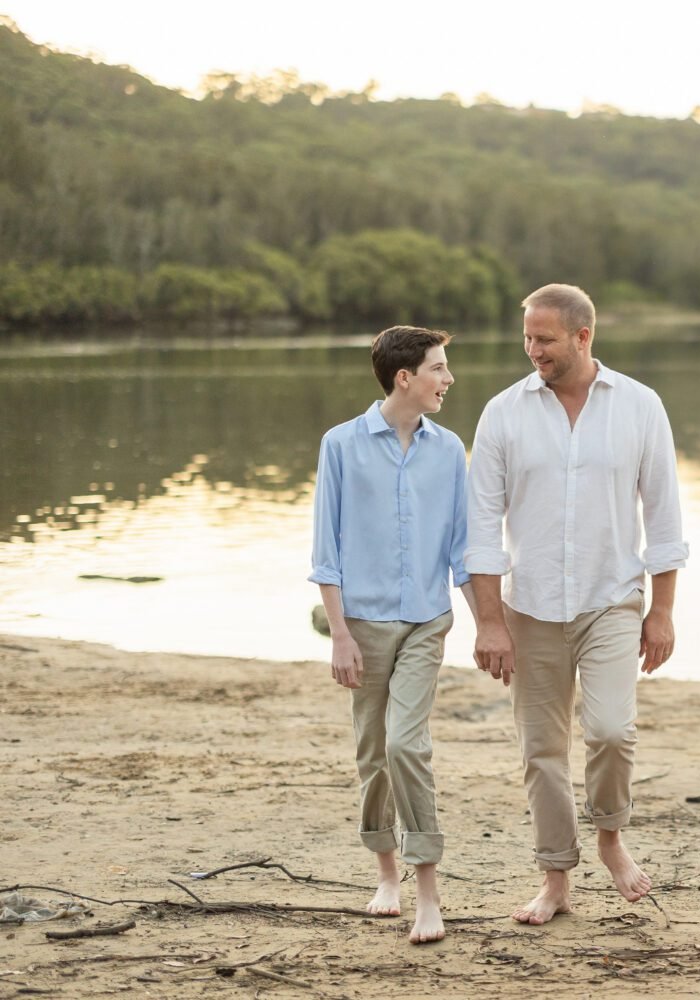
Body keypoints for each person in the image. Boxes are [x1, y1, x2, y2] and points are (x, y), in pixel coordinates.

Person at [466, 283, 688, 925]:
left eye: (546, 339)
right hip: (529, 608)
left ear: (583, 337)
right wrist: (489, 622)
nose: (533, 349)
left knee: (613, 730)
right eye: (528, 338)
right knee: (541, 750)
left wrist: (663, 611)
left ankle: (611, 838)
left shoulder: (641, 406)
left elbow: (664, 516)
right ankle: (556, 876)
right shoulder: (503, 413)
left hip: (612, 600)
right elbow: (481, 527)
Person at [309, 325, 475, 945]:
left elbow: (463, 549)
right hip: (364, 624)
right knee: (372, 752)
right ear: (405, 377)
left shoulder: (449, 448)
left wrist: (491, 626)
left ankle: (427, 889)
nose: (448, 379)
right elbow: (326, 550)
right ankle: (386, 873)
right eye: (438, 368)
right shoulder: (341, 446)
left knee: (408, 745)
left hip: (427, 621)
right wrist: (340, 635)